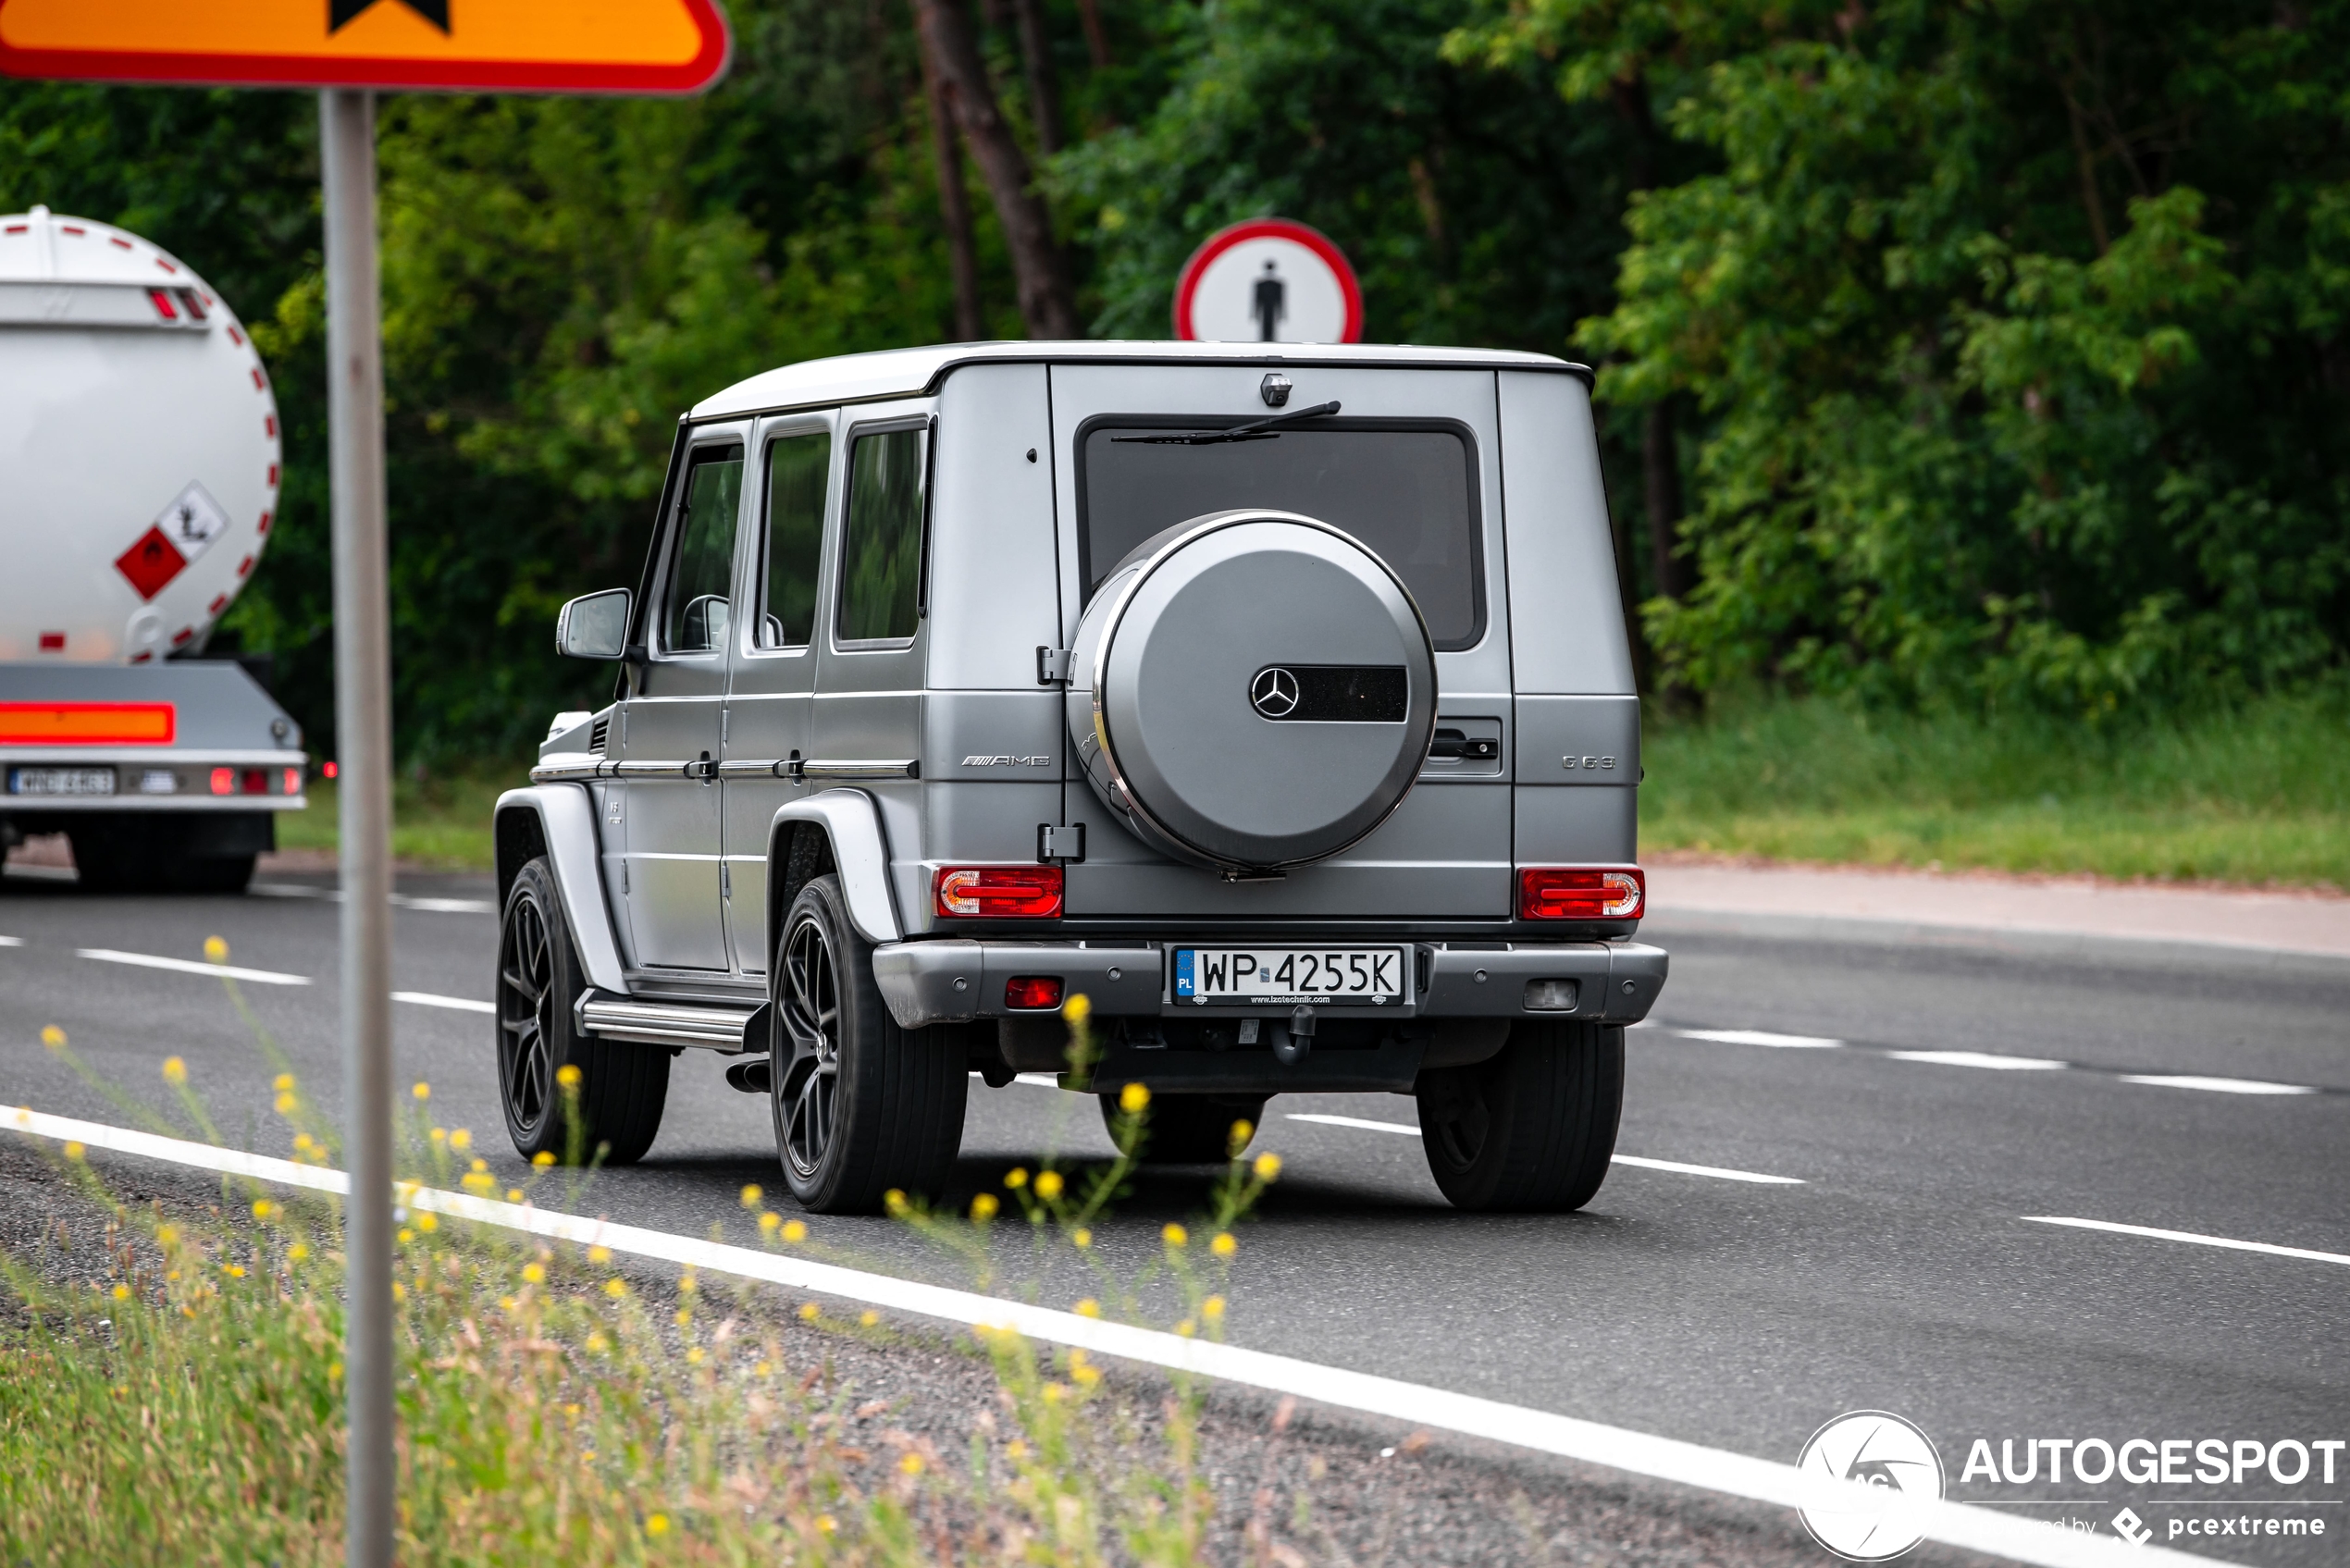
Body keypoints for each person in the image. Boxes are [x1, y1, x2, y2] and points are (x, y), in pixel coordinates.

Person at [1252, 258, 1286, 342]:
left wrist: (1281, 313)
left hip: (1273, 308)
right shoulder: (1260, 284)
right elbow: (1257, 300)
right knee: (1264, 326)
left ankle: (1271, 339)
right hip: (1264, 308)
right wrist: (1255, 313)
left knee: (1272, 326)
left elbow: (1280, 300)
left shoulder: (1278, 284)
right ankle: (1265, 339)